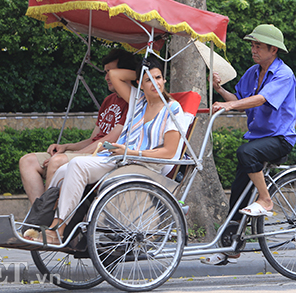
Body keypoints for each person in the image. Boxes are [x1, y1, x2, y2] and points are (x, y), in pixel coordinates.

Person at [24, 57, 185, 245]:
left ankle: (57, 230)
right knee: (61, 171)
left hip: (143, 164)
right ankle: (47, 224)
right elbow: (114, 74)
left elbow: (169, 152)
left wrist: (131, 152)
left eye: (158, 78)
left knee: (76, 164)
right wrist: (144, 70)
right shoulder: (138, 101)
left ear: (164, 80)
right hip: (118, 159)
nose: (155, 83)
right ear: (140, 84)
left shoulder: (172, 108)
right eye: (149, 80)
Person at [202, 24, 296, 266]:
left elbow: (262, 99)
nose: (253, 49)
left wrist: (230, 106)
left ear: (273, 50)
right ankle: (231, 248)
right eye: (253, 45)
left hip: (279, 138)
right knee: (237, 194)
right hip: (257, 139)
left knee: (245, 151)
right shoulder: (253, 73)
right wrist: (220, 90)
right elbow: (240, 101)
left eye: (258, 46)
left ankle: (266, 200)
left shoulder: (284, 74)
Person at [18, 49, 136, 204]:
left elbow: (108, 140)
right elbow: (94, 138)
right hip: (90, 152)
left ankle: (49, 218)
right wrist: (67, 147)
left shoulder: (134, 102)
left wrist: (71, 156)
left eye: (111, 72)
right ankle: (39, 216)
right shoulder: (109, 100)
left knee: (56, 161)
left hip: (105, 156)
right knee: (27, 161)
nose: (107, 77)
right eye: (106, 72)